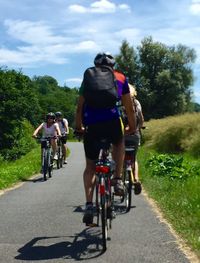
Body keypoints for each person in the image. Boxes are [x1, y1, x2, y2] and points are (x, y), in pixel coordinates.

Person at [75, 52, 136, 225]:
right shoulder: (120, 78)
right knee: (119, 143)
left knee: (90, 167)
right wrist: (132, 126)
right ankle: (117, 180)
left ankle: (88, 204)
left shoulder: (87, 80)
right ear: (113, 65)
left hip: (92, 125)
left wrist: (79, 127)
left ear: (95, 65)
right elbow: (129, 108)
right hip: (112, 122)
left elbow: (79, 108)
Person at [125, 84, 144, 194]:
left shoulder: (120, 102)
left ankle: (119, 177)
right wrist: (139, 127)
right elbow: (141, 119)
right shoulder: (137, 103)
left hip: (122, 135)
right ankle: (136, 179)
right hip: (135, 134)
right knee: (134, 158)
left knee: (119, 155)